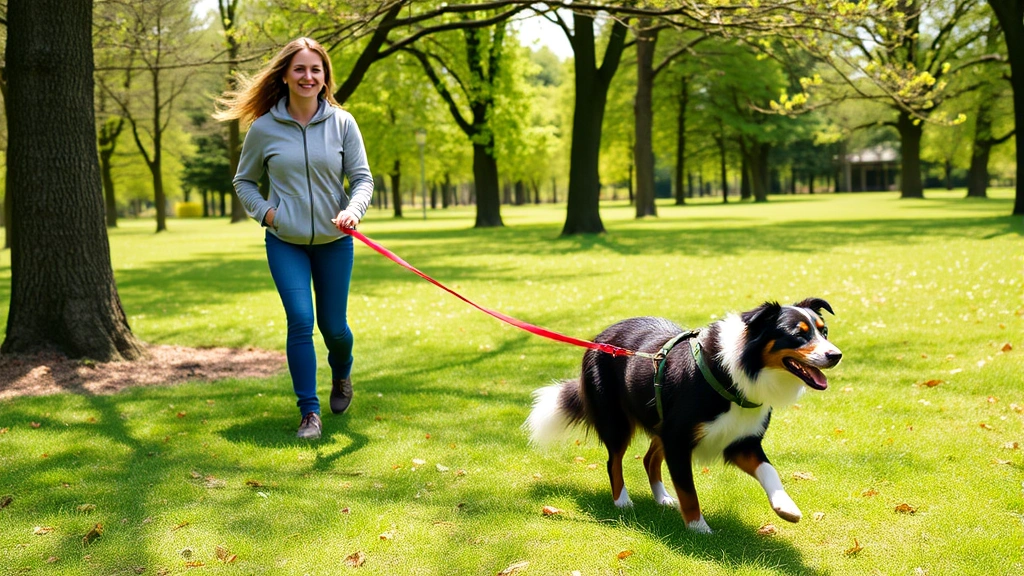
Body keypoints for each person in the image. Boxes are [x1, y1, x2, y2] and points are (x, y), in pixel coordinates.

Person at [214, 37, 373, 439]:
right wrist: (268, 213)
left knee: (334, 328)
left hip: (335, 242)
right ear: (285, 75)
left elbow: (362, 179)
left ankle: (342, 375)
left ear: (324, 78)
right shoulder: (264, 128)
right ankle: (309, 413)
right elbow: (244, 181)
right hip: (286, 241)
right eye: (299, 69)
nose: (308, 76)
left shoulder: (342, 123)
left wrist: (352, 211)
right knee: (301, 321)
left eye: (315, 70)